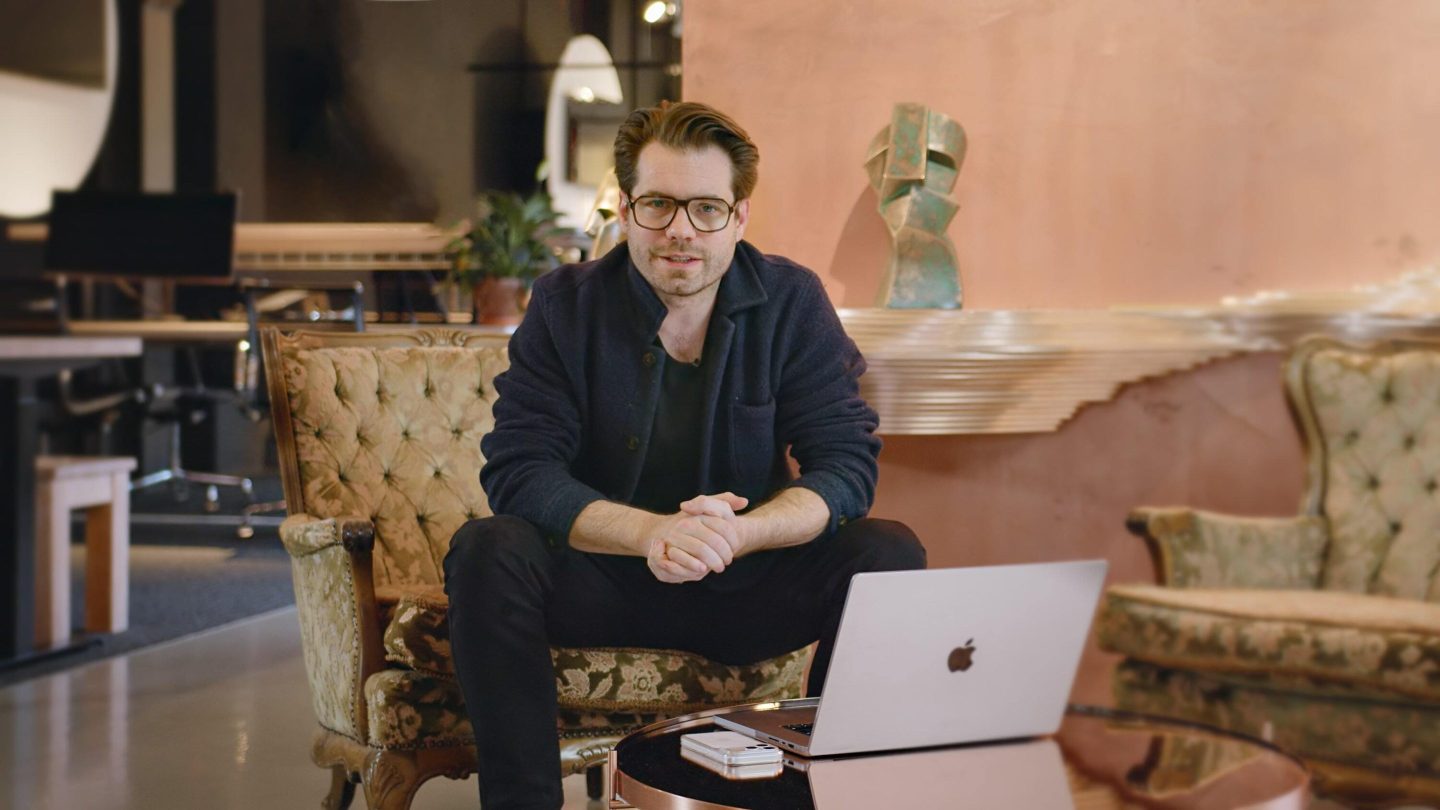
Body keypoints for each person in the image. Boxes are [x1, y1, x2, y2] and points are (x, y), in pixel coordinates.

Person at [444, 100, 926, 809]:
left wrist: (741, 532)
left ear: (739, 217)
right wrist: (653, 534)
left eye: (705, 208)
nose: (679, 230)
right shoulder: (563, 305)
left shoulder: (792, 302)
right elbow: (519, 470)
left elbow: (845, 466)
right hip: (603, 583)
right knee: (487, 547)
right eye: (658, 205)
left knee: (889, 551)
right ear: (627, 209)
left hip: (748, 585)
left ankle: (829, 795)